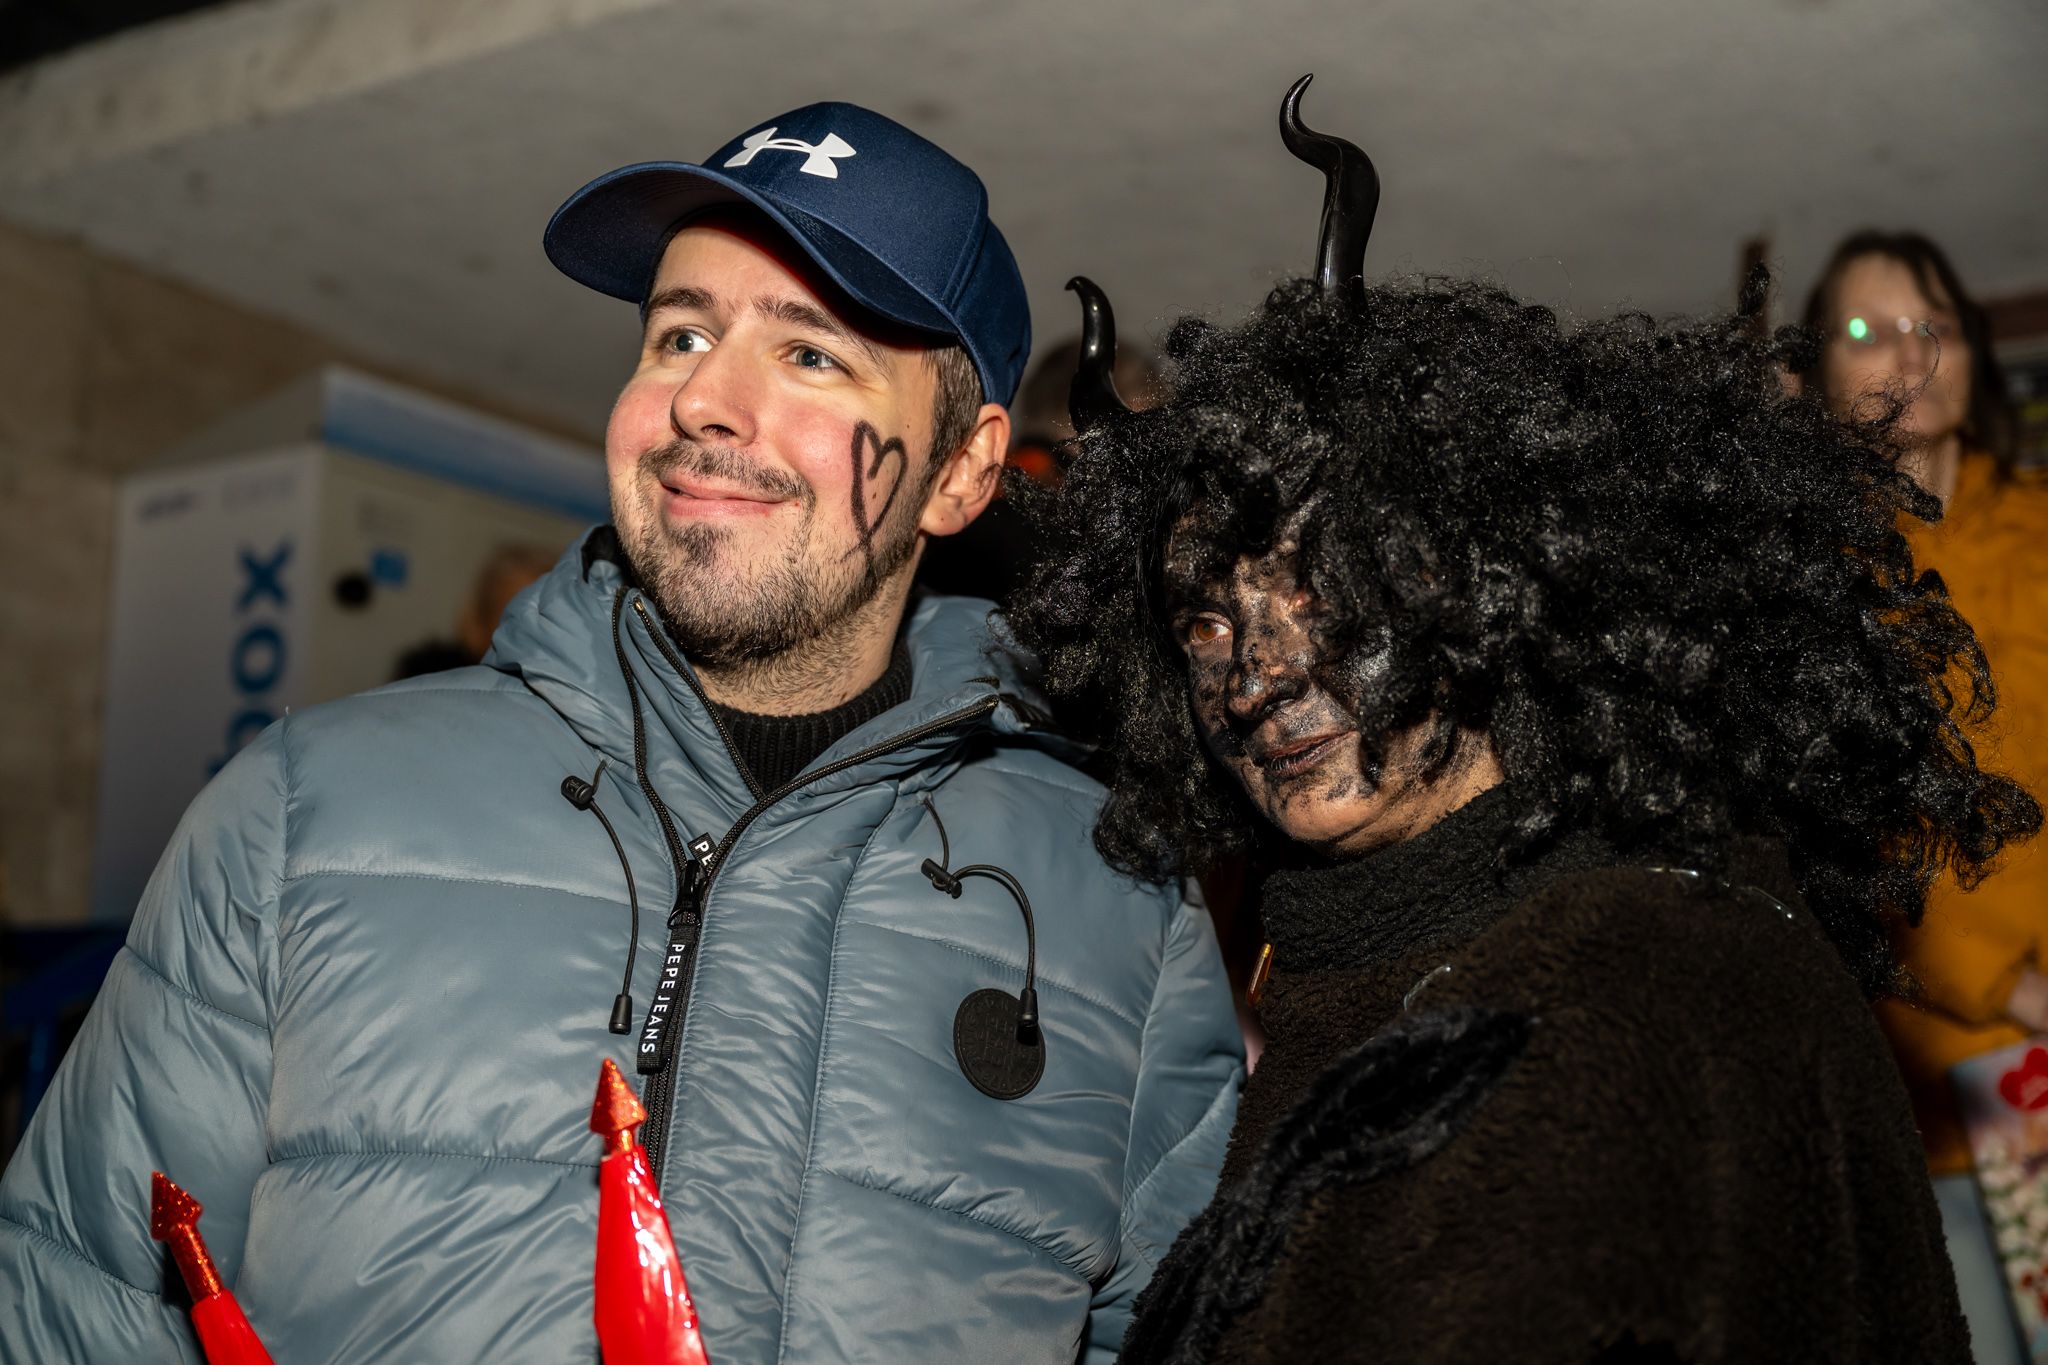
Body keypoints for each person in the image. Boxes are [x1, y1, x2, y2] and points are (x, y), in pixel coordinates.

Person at [0, 102, 1243, 1363]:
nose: (703, 397)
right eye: (680, 334)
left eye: (810, 355)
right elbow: (75, 1305)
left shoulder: (1122, 908)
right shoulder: (301, 815)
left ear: (962, 472)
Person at [1006, 77, 2038, 1363]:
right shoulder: (1374, 968)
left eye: (1318, 585)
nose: (1256, 673)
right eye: (1203, 624)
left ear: (1479, 581)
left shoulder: (1644, 974)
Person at [1803, 230, 2048, 1364]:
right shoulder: (1812, 586)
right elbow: (1844, 837)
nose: (1909, 352)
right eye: (1866, 329)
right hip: (1919, 1097)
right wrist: (2014, 987)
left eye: (1932, 322)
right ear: (1814, 375)